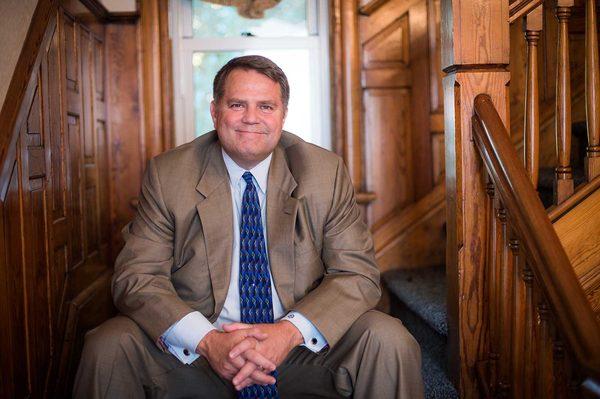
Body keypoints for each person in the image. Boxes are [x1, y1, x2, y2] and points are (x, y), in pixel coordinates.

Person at [74, 55, 424, 398]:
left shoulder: (323, 172)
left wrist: (287, 333)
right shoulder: (169, 175)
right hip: (197, 355)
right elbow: (136, 277)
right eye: (237, 104)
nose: (251, 119)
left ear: (283, 114)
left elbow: (358, 274)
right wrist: (208, 341)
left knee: (387, 338)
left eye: (266, 107)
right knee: (109, 345)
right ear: (215, 111)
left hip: (298, 352)